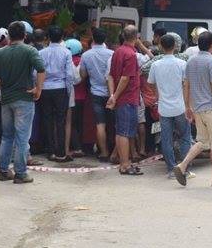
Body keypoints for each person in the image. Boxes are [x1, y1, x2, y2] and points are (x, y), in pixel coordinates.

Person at [173, 31, 212, 187]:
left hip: (197, 108)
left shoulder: (191, 61)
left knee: (202, 141)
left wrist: (187, 106)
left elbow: (186, 85)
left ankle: (182, 165)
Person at [0, 21, 45, 183]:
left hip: (6, 99)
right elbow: (41, 69)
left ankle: (3, 170)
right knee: (22, 137)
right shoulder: (29, 50)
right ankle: (20, 173)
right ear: (25, 35)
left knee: (7, 136)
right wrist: (38, 89)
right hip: (24, 99)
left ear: (9, 34)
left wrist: (3, 88)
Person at [148, 34, 191, 178]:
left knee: (166, 139)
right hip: (180, 106)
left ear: (160, 46)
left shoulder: (155, 64)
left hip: (164, 108)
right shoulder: (182, 64)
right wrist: (187, 104)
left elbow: (151, 83)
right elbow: (186, 85)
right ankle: (184, 168)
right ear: (175, 46)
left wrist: (158, 96)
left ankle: (171, 169)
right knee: (185, 137)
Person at [106, 25, 143, 176]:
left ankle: (124, 162)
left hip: (121, 97)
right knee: (125, 132)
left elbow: (110, 76)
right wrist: (115, 96)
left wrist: (112, 95)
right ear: (137, 37)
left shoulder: (118, 51)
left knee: (122, 130)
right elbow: (125, 78)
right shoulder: (130, 54)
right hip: (127, 97)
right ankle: (125, 165)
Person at [39, 26, 75, 162]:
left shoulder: (42, 53)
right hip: (61, 88)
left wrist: (38, 87)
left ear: (48, 37)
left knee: (47, 119)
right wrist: (68, 90)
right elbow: (70, 74)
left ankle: (50, 151)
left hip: (45, 88)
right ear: (62, 38)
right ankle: (61, 152)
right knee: (61, 120)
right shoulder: (66, 52)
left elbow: (36, 72)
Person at [79, 28, 114, 162]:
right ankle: (112, 149)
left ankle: (103, 152)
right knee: (112, 123)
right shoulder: (112, 54)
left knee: (100, 124)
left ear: (93, 39)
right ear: (105, 40)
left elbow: (82, 75)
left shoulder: (86, 55)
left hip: (95, 93)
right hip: (111, 93)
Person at [65, 38, 86, 158]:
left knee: (70, 123)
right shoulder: (82, 60)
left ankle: (76, 146)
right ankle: (80, 146)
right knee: (78, 123)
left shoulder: (67, 60)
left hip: (71, 96)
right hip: (82, 96)